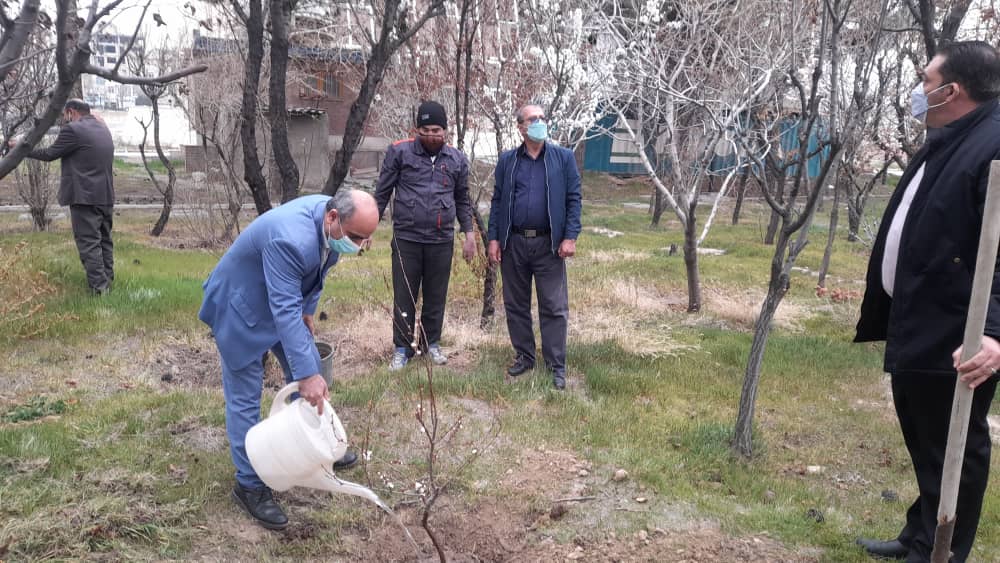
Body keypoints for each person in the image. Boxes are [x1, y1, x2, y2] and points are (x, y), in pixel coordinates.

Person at [854, 41, 1000, 563]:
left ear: (952, 90)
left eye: (926, 80)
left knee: (956, 447)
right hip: (921, 317)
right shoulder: (951, 135)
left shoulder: (994, 144)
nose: (920, 91)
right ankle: (919, 533)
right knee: (925, 438)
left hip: (957, 332)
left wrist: (994, 332)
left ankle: (942, 550)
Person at [198, 190, 379, 530]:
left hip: (280, 299)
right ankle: (249, 486)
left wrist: (308, 310)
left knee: (308, 362)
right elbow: (283, 310)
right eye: (357, 237)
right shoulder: (290, 239)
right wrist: (307, 374)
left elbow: (319, 271)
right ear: (333, 218)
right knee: (245, 397)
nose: (361, 245)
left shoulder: (332, 222)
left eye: (368, 238)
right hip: (241, 306)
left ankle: (315, 448)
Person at [374, 101, 476, 370]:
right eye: (426, 130)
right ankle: (401, 348)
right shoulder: (399, 152)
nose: (432, 135)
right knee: (405, 294)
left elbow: (463, 200)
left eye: (437, 130)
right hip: (407, 238)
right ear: (416, 130)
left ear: (446, 131)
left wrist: (469, 235)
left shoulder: (456, 160)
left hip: (441, 240)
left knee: (436, 295)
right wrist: (367, 228)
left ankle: (431, 344)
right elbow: (382, 192)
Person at [487, 104, 581, 390]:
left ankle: (556, 365)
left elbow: (574, 199)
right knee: (516, 305)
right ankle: (525, 357)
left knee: (553, 305)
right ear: (520, 127)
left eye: (542, 118)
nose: (539, 122)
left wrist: (570, 236)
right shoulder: (507, 161)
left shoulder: (563, 158)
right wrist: (493, 238)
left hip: (549, 244)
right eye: (533, 119)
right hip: (513, 242)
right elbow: (498, 201)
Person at [22, 99, 115, 295]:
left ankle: (100, 290)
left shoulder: (73, 130)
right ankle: (108, 282)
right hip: (105, 195)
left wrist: (22, 150)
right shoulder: (103, 128)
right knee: (104, 241)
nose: (65, 120)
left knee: (89, 243)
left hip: (85, 197)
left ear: (71, 112)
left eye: (65, 116)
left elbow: (49, 154)